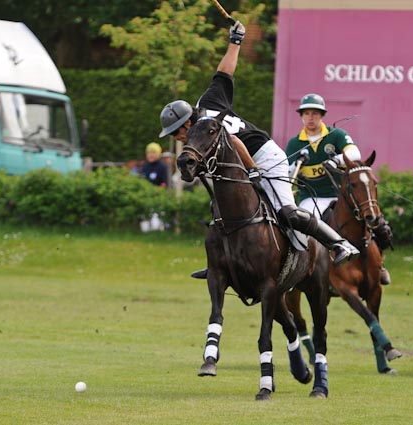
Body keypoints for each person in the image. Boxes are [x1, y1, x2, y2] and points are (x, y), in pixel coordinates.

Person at [159, 21, 359, 278]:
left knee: (287, 211)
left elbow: (234, 142)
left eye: (176, 132)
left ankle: (339, 244)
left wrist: (253, 169)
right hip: (240, 165)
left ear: (188, 122)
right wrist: (235, 41)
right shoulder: (205, 105)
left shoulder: (206, 121)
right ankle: (219, 263)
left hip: (264, 155)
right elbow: (224, 73)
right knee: (222, 211)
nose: (177, 138)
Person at [285, 93, 394, 285]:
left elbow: (354, 152)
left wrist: (335, 160)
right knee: (304, 229)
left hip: (340, 195)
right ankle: (307, 269)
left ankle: (380, 264)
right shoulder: (295, 143)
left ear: (322, 116)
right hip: (311, 198)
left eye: (315, 113)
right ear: (301, 116)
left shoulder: (336, 135)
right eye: (307, 113)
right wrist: (297, 164)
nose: (311, 117)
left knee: (375, 222)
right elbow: (287, 172)